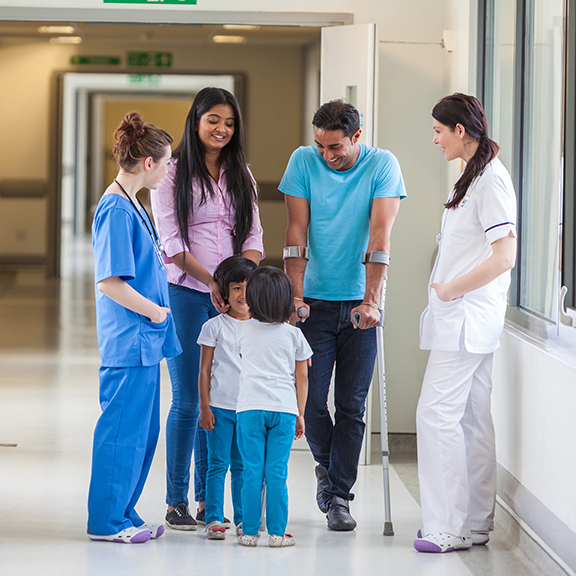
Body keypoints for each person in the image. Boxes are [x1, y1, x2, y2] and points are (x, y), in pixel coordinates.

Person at [279, 100, 406, 531]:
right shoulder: (302, 161)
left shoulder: (383, 165)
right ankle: (327, 467)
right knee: (311, 402)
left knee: (351, 406)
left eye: (335, 147)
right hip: (313, 302)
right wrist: (295, 296)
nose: (326, 155)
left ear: (356, 136)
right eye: (320, 146)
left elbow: (380, 234)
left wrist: (372, 300)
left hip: (360, 307)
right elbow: (296, 233)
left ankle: (338, 496)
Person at [151, 87, 264, 531]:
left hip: (233, 300)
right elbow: (172, 245)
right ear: (196, 121)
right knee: (187, 400)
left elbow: (254, 235)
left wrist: (241, 285)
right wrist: (212, 282)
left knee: (217, 399)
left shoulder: (242, 174)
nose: (221, 129)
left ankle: (207, 499)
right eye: (213, 119)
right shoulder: (172, 174)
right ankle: (176, 499)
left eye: (230, 122)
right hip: (186, 292)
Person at [414, 93, 517, 553]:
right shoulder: (472, 175)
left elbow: (505, 256)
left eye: (439, 131)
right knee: (473, 419)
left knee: (435, 416)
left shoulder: (491, 180)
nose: (434, 139)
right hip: (468, 320)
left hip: (466, 318)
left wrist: (453, 288)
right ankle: (474, 521)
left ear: (460, 130)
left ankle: (447, 525)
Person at [87, 112, 181, 543]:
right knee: (122, 430)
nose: (167, 170)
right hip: (130, 338)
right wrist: (155, 312)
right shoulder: (115, 209)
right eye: (165, 163)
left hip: (145, 340)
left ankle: (124, 513)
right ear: (147, 164)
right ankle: (106, 523)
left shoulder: (133, 203)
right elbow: (110, 282)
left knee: (143, 431)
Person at [235, 267, 312, 547]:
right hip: (284, 410)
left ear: (251, 300)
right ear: (286, 302)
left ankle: (249, 532)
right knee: (276, 472)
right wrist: (300, 412)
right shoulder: (294, 336)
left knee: (252, 471)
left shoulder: (242, 330)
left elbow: (242, 357)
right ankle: (278, 534)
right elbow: (302, 376)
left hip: (250, 409)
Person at [197, 256, 258, 540]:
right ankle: (213, 518)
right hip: (219, 408)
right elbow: (205, 370)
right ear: (223, 291)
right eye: (235, 288)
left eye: (247, 287)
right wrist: (205, 407)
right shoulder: (214, 327)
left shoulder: (263, 327)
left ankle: (245, 519)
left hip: (248, 409)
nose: (242, 294)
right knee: (217, 464)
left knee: (243, 466)